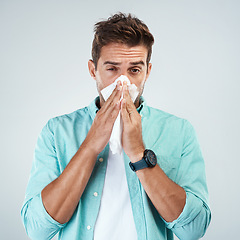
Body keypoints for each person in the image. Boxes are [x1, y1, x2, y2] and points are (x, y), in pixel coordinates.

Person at [21, 13, 211, 240]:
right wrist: (91, 146)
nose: (124, 82)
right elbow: (37, 229)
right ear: (93, 70)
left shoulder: (179, 132)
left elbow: (193, 230)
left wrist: (139, 154)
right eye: (112, 69)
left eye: (134, 70)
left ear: (147, 72)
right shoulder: (56, 131)